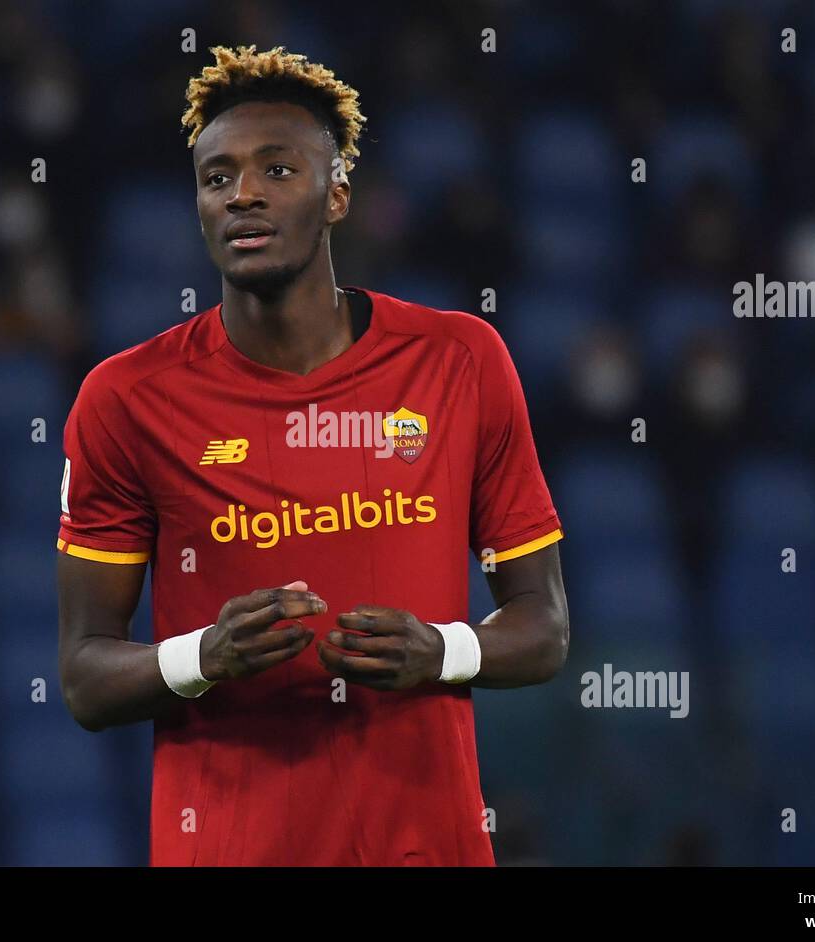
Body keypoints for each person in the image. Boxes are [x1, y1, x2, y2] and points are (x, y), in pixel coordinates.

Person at [56, 44, 570, 865]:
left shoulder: (461, 361)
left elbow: (543, 627)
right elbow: (84, 677)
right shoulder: (126, 399)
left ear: (337, 194)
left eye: (278, 170)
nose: (244, 194)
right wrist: (203, 657)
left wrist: (445, 652)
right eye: (217, 178)